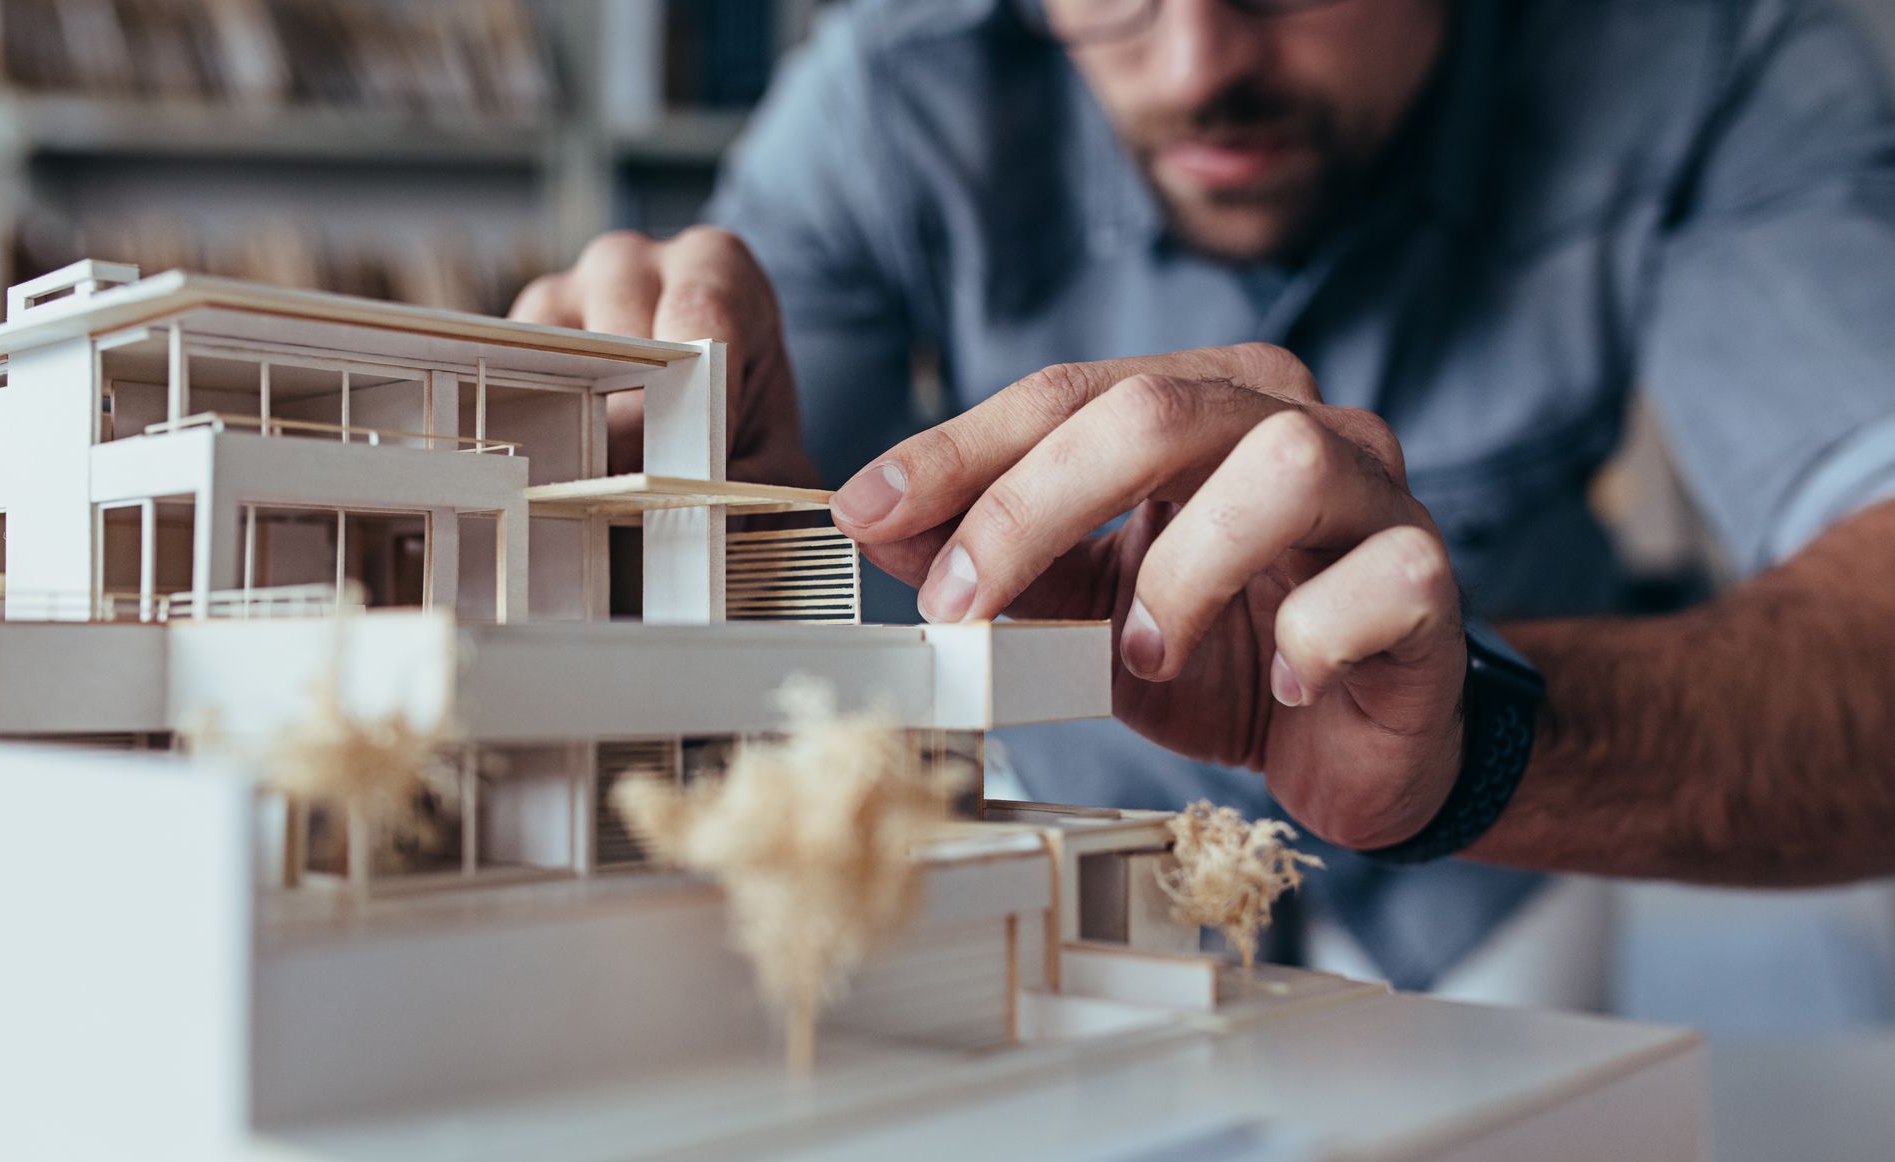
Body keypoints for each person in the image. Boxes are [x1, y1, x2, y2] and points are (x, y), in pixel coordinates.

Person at [510, 0, 1895, 993]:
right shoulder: (888, 82)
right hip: (1067, 848)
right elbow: (778, 541)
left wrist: (1466, 745)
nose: (1198, 62)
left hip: (1503, 879)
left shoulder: (1713, 52)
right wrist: (681, 515)